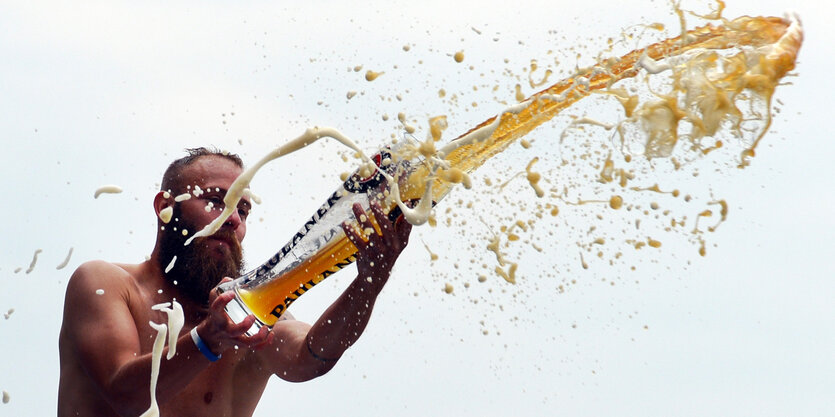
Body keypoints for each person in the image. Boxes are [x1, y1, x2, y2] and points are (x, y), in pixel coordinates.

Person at [57, 147, 412, 417]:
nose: (232, 220)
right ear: (165, 206)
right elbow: (124, 396)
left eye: (242, 211)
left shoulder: (247, 312)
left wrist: (369, 282)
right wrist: (207, 340)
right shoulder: (105, 283)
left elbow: (310, 358)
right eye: (215, 201)